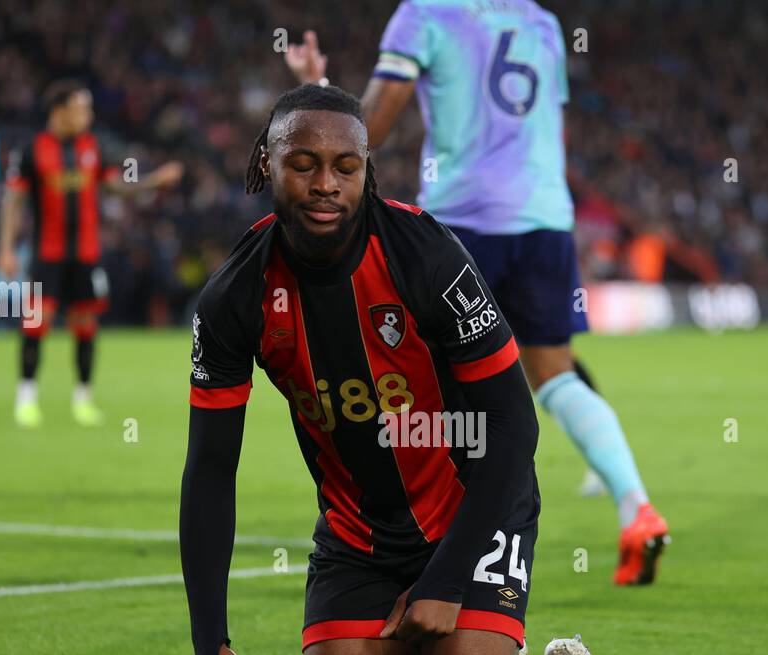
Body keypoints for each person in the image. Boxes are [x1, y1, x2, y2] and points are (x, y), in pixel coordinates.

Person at [180, 84, 627, 655]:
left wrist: (448, 581)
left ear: (368, 169)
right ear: (267, 164)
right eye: (303, 163)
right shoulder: (233, 297)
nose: (325, 184)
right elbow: (211, 469)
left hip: (472, 511)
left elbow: (512, 425)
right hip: (357, 534)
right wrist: (207, 637)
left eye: (345, 166)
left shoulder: (427, 257)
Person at [285, 5, 671, 585]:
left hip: (463, 222)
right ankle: (635, 506)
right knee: (557, 377)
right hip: (544, 219)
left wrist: (316, 96)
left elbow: (373, 124)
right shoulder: (541, 21)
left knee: (432, 383)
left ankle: (438, 542)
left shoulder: (425, 13)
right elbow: (545, 124)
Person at [0, 79, 183, 428]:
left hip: (85, 255)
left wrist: (154, 182)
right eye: (82, 108)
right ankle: (26, 398)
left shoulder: (93, 148)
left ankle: (82, 399)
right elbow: (13, 200)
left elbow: (117, 188)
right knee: (36, 323)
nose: (88, 114)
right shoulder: (31, 150)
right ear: (60, 110)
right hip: (46, 256)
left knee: (85, 326)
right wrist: (6, 249)